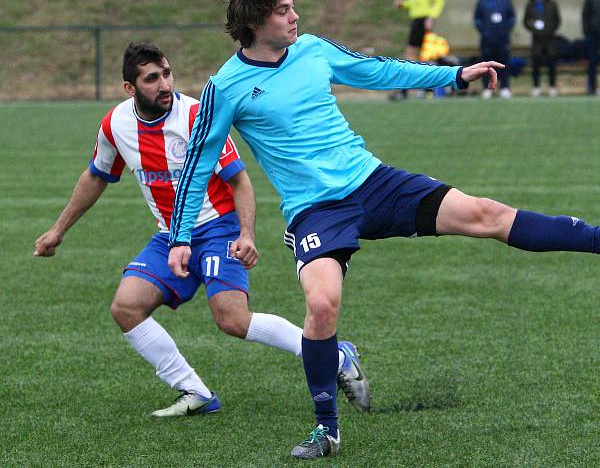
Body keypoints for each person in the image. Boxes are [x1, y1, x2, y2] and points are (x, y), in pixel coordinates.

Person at [167, 0, 600, 459]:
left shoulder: (313, 50)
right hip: (316, 212)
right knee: (321, 307)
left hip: (373, 182)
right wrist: (181, 238)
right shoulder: (224, 89)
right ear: (256, 22)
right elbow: (196, 167)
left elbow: (380, 69)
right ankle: (327, 429)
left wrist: (453, 75)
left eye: (293, 5)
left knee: (485, 212)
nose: (295, 15)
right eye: (283, 10)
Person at [33, 43, 371, 418]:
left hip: (218, 228)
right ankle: (194, 391)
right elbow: (96, 176)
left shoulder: (197, 115)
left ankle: (334, 353)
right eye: (151, 79)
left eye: (167, 73)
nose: (164, 84)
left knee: (232, 320)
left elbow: (240, 182)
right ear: (130, 88)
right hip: (170, 236)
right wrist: (57, 230)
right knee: (126, 307)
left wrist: (246, 234)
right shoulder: (115, 125)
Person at [391, 0, 445, 100]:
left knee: (415, 54)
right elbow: (412, 3)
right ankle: (424, 89)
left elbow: (439, 1)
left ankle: (409, 90)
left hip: (424, 21)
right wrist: (403, 4)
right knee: (417, 55)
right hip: (415, 21)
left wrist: (431, 17)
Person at [474, 0, 516, 99]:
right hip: (487, 40)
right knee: (486, 65)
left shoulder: (505, 1)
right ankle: (487, 89)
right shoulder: (482, 1)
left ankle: (504, 87)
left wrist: (506, 30)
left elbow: (512, 18)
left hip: (503, 40)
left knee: (503, 64)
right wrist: (484, 31)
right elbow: (477, 19)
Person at [523, 0, 561, 97]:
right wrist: (533, 28)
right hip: (537, 39)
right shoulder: (530, 5)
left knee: (552, 64)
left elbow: (557, 20)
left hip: (550, 39)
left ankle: (552, 87)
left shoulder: (552, 4)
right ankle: (536, 87)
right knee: (536, 63)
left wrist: (550, 30)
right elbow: (526, 21)